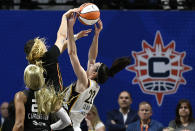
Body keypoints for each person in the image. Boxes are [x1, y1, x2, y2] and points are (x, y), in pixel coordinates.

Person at [50, 11, 131, 131]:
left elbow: (72, 53)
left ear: (94, 73)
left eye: (94, 66)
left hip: (66, 126)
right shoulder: (95, 86)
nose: (91, 64)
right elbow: (92, 58)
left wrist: (70, 28)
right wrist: (96, 35)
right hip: (75, 126)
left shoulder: (84, 81)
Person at [24, 9, 92, 92]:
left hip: (42, 100)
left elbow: (61, 48)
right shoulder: (50, 56)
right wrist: (64, 17)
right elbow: (62, 36)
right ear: (39, 47)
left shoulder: (33, 65)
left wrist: (76, 36)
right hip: (56, 99)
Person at [12, 64, 71, 131]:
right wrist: (50, 127)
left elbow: (19, 125)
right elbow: (67, 121)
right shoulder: (50, 96)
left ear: (26, 78)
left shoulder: (21, 96)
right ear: (40, 78)